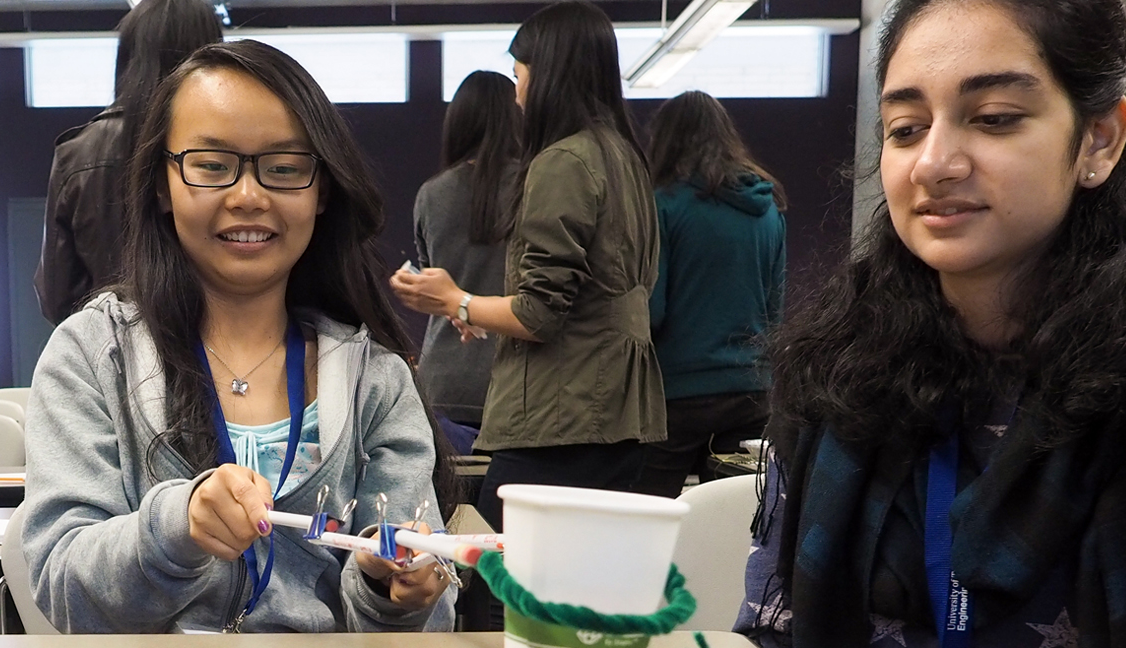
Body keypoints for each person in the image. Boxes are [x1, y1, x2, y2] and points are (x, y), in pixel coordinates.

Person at [21, 40, 457, 633]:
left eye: (284, 168)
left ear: (321, 189)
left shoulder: (374, 381)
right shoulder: (93, 356)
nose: (248, 197)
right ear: (160, 184)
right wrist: (177, 527)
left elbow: (436, 622)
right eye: (211, 164)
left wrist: (395, 592)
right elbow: (65, 593)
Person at [738, 0, 1126, 644]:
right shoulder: (836, 372)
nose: (934, 163)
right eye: (906, 128)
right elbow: (773, 623)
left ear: (1099, 140)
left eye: (995, 118)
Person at [389, 0, 664, 529]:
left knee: (500, 584)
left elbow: (539, 314)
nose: (516, 95)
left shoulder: (562, 162)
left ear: (550, 74)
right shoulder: (625, 157)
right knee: (582, 590)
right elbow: (594, 292)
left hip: (561, 418)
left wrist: (457, 301)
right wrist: (476, 312)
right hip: (623, 411)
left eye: (520, 76)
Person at [628, 91, 787, 498]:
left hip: (676, 396)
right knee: (732, 520)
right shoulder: (768, 209)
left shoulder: (664, 205)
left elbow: (653, 310)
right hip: (751, 390)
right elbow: (775, 311)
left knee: (647, 521)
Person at [34, 0, 223, 324]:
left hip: (107, 353)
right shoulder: (230, 147)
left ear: (129, 57)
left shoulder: (79, 154)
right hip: (217, 346)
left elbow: (56, 296)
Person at [408, 70, 524, 432]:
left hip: (443, 380)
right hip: (515, 381)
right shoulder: (536, 186)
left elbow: (430, 284)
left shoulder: (432, 193)